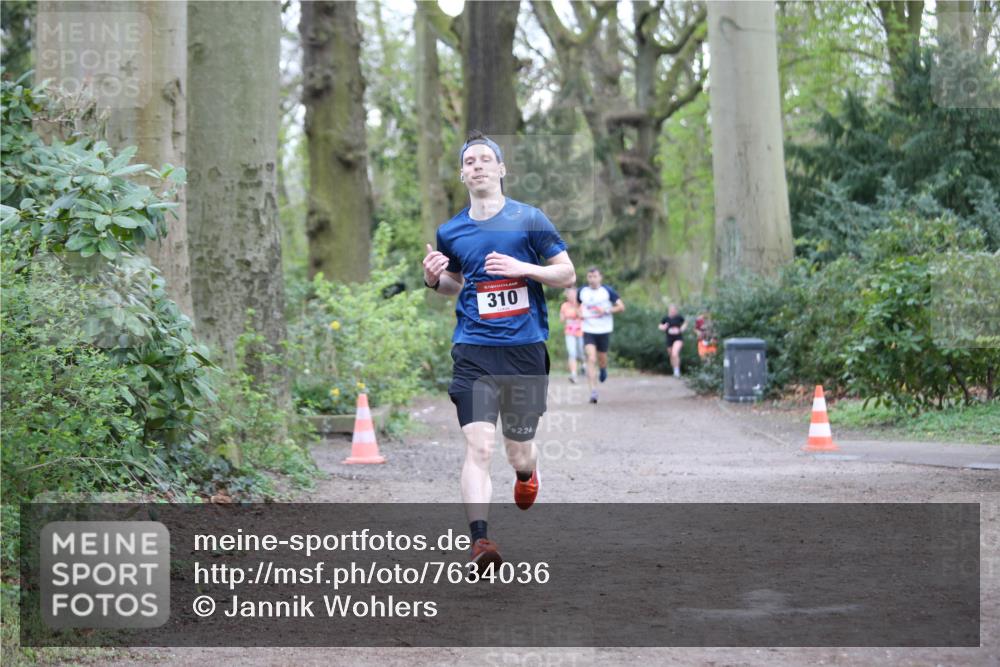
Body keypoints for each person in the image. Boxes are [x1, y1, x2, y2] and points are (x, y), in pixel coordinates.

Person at [421, 130, 576, 572]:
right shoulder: (451, 230)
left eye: (486, 159)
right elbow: (453, 285)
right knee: (479, 447)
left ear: (502, 169)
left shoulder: (530, 220)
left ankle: (528, 476)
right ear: (462, 174)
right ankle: (480, 542)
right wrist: (434, 278)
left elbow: (566, 274)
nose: (478, 166)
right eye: (470, 161)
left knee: (517, 451)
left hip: (524, 350)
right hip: (473, 349)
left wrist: (522, 268)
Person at [578, 267, 625, 404]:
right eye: (590, 276)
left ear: (600, 277)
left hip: (603, 330)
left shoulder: (607, 291)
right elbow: (576, 305)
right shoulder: (582, 291)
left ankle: (603, 368)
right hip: (588, 329)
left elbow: (621, 307)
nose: (592, 279)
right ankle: (593, 391)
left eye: (595, 276)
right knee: (591, 358)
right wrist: (579, 312)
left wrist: (606, 310)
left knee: (602, 358)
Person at [559, 287, 585, 382]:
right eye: (568, 294)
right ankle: (573, 374)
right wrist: (566, 316)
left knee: (581, 352)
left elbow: (582, 316)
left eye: (572, 294)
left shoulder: (581, 305)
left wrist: (575, 307)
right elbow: (562, 319)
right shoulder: (564, 306)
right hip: (569, 332)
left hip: (580, 332)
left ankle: (583, 365)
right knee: (572, 352)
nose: (570, 296)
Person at [658, 304, 686, 377]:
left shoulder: (679, 317)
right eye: (671, 310)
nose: (672, 311)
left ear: (676, 310)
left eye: (674, 310)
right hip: (669, 339)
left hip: (678, 338)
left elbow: (685, 323)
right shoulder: (666, 318)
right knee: (671, 355)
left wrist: (682, 328)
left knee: (675, 353)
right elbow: (660, 326)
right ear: (669, 310)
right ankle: (674, 369)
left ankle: (677, 371)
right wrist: (663, 327)